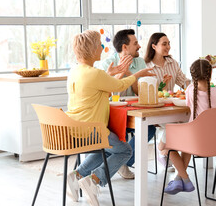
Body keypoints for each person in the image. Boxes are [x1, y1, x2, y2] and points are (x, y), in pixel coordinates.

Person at [65, 30, 155, 206]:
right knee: (124, 150)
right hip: (91, 131)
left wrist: (110, 73)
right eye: (99, 44)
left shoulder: (75, 71)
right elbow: (120, 85)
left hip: (75, 128)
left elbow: (102, 89)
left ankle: (78, 175)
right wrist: (138, 74)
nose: (102, 47)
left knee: (110, 147)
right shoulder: (94, 74)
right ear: (92, 50)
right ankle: (95, 180)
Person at [95, 29, 156, 179]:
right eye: (135, 43)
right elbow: (110, 90)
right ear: (124, 47)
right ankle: (115, 163)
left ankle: (124, 163)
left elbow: (138, 91)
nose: (140, 46)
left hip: (132, 111)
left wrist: (131, 74)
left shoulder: (139, 61)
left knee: (149, 129)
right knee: (114, 135)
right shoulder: (108, 63)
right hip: (111, 114)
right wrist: (122, 71)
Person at [164, 59, 216, 194]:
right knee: (186, 145)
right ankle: (179, 179)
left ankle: (185, 179)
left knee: (164, 147)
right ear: (210, 74)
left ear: (193, 76)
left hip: (197, 141)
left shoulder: (191, 90)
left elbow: (188, 103)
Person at [144, 32, 191, 170]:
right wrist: (162, 85)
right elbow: (148, 92)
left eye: (169, 43)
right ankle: (165, 152)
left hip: (172, 106)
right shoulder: (147, 66)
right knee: (174, 125)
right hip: (155, 108)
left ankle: (163, 150)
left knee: (187, 122)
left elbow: (184, 82)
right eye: (164, 44)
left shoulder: (172, 63)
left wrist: (198, 83)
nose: (168, 47)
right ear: (154, 46)